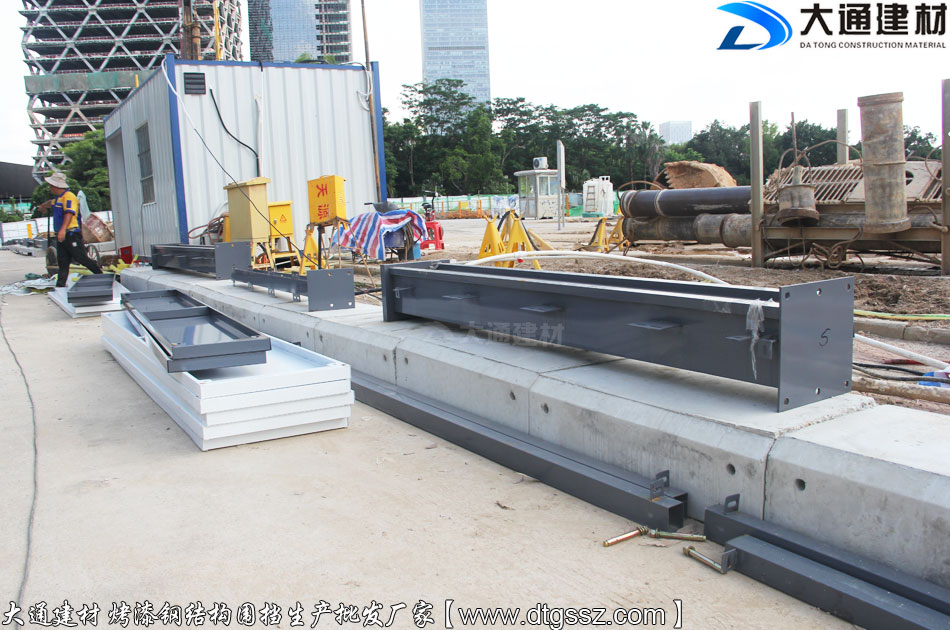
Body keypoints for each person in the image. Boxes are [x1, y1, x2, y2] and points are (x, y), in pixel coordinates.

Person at [43, 172, 102, 287]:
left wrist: (62, 230)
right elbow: (50, 203)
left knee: (81, 258)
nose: (50, 188)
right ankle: (60, 285)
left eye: (51, 185)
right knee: (63, 261)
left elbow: (69, 214)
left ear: (56, 186)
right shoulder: (59, 198)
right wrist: (43, 206)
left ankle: (100, 274)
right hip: (62, 235)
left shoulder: (69, 197)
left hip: (70, 234)